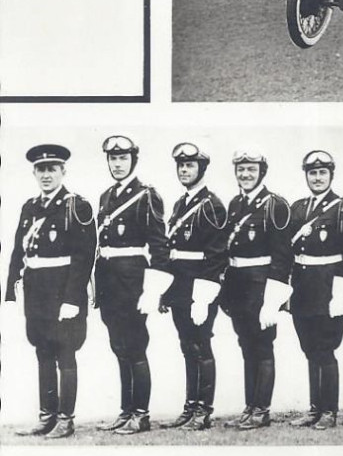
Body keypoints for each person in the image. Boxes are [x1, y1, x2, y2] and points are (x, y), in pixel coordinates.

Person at [5, 145, 96, 439]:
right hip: (37, 292)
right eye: (41, 170)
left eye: (52, 169)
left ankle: (66, 420)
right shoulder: (30, 207)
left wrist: (72, 299)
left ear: (62, 172)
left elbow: (84, 257)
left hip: (63, 292)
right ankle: (47, 416)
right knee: (42, 351)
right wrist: (10, 292)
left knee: (65, 353)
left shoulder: (77, 206)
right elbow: (18, 251)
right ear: (34, 172)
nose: (46, 175)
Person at [95, 136, 170, 435]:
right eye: (113, 159)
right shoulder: (105, 196)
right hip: (109, 281)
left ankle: (141, 414)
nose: (117, 164)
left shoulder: (146, 195)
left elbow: (160, 247)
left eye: (123, 158)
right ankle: (126, 410)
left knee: (136, 346)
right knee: (119, 347)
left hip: (133, 282)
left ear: (133, 161)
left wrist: (153, 290)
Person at [288, 151, 343, 430]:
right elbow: (290, 251)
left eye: (322, 173)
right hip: (303, 289)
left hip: (330, 288)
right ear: (306, 175)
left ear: (331, 175)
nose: (317, 178)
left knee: (326, 349)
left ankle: (329, 411)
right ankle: (314, 409)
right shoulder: (298, 208)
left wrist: (341, 293)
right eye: (312, 173)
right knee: (309, 349)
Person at [219, 149, 292, 430]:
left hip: (262, 285)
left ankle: (262, 410)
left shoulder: (276, 205)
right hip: (238, 284)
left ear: (262, 172)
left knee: (262, 346)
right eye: (241, 169)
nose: (245, 174)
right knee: (246, 345)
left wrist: (272, 300)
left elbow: (283, 256)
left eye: (251, 169)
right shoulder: (236, 203)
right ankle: (250, 406)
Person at [160, 143, 227, 431]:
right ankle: (190, 406)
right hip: (179, 286)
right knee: (187, 346)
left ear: (202, 169)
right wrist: (165, 290)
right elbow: (172, 251)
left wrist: (203, 297)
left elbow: (215, 256)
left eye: (190, 165)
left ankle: (204, 410)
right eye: (181, 165)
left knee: (201, 345)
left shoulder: (212, 205)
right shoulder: (180, 204)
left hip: (200, 288)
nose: (184, 170)